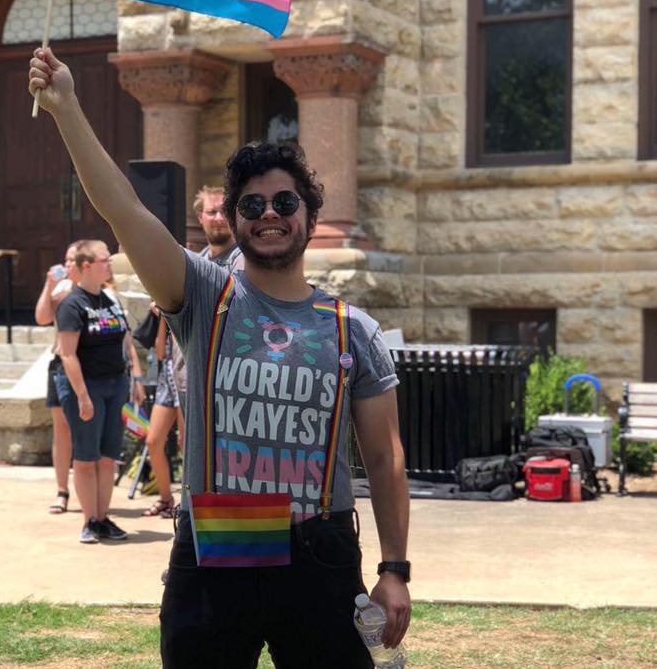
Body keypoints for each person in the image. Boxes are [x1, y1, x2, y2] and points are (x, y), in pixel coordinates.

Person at [29, 48, 411, 667]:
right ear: (233, 220)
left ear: (310, 218)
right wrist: (68, 107)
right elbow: (124, 211)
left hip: (319, 551)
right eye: (252, 205)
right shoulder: (206, 297)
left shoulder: (353, 330)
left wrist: (393, 568)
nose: (269, 216)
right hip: (216, 547)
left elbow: (385, 456)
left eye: (285, 203)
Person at [142, 186, 240, 518]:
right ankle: (185, 506)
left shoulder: (242, 259)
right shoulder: (195, 262)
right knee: (179, 442)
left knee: (211, 446)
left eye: (224, 210)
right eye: (211, 212)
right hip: (183, 370)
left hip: (221, 373)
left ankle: (201, 509)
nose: (218, 218)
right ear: (200, 218)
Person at [56, 238, 145, 544]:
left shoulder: (110, 299)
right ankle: (88, 520)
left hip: (115, 385)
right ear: (85, 267)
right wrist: (81, 396)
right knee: (86, 457)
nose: (109, 264)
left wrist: (135, 378)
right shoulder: (72, 303)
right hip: (87, 387)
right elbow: (67, 354)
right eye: (104, 260)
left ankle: (104, 518)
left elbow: (125, 340)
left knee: (107, 457)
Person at [34, 242, 81, 515]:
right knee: (61, 429)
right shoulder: (60, 288)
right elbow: (41, 317)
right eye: (66, 259)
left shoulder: (95, 288)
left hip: (90, 365)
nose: (68, 265)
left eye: (74, 260)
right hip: (60, 363)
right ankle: (62, 490)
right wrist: (49, 286)